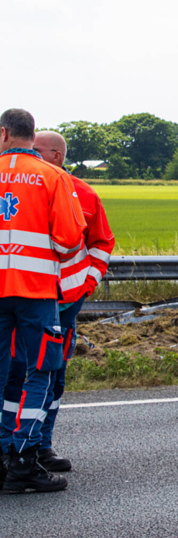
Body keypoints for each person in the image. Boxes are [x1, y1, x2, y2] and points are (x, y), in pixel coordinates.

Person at [1, 131, 114, 475]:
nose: (30, 155)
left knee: (52, 376)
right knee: (21, 373)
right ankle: (16, 449)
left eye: (37, 150)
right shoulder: (37, 180)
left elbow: (101, 243)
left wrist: (85, 284)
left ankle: (40, 445)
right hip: (33, 295)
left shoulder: (83, 193)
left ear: (56, 156)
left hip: (62, 301)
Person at [0, 109, 85, 494]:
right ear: (31, 136)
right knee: (41, 372)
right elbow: (70, 240)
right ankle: (23, 458)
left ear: (4, 133)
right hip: (36, 291)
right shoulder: (53, 176)